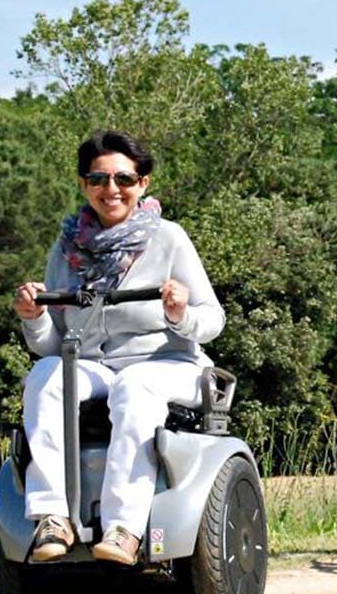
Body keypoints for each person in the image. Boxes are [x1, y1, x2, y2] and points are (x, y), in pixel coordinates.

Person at [12, 130, 224, 565]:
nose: (112, 190)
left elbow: (212, 322)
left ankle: (124, 527)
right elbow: (53, 345)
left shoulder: (168, 238)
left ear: (143, 183)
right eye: (99, 179)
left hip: (167, 364)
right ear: (83, 184)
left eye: (124, 180)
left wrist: (179, 312)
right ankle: (53, 516)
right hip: (93, 365)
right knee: (46, 378)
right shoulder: (67, 246)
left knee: (134, 385)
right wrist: (32, 317)